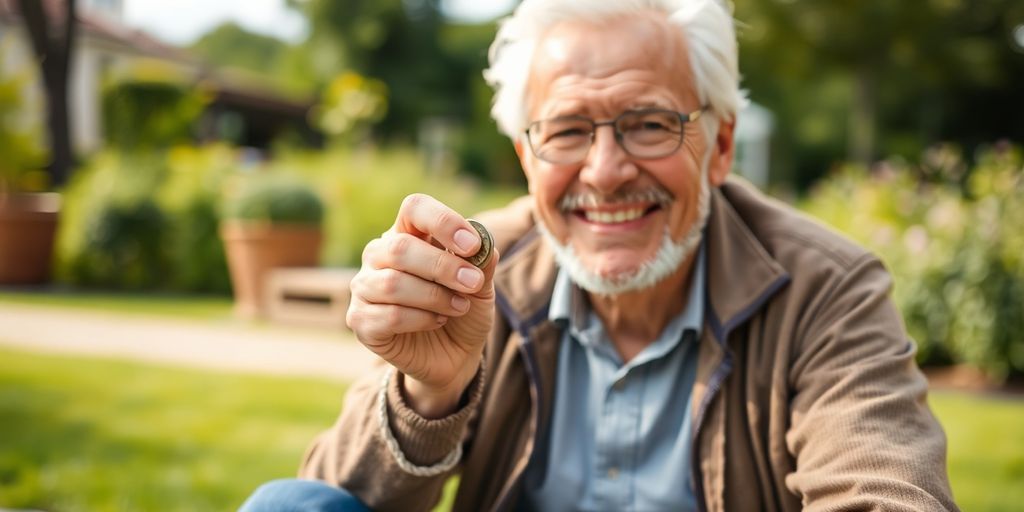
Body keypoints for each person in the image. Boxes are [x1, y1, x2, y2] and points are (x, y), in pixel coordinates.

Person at [240, 0, 958, 510]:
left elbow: (887, 492)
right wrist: (430, 394)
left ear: (721, 146)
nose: (606, 170)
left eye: (649, 124)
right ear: (527, 155)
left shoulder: (826, 288)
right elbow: (332, 496)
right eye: (568, 131)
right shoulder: (470, 270)